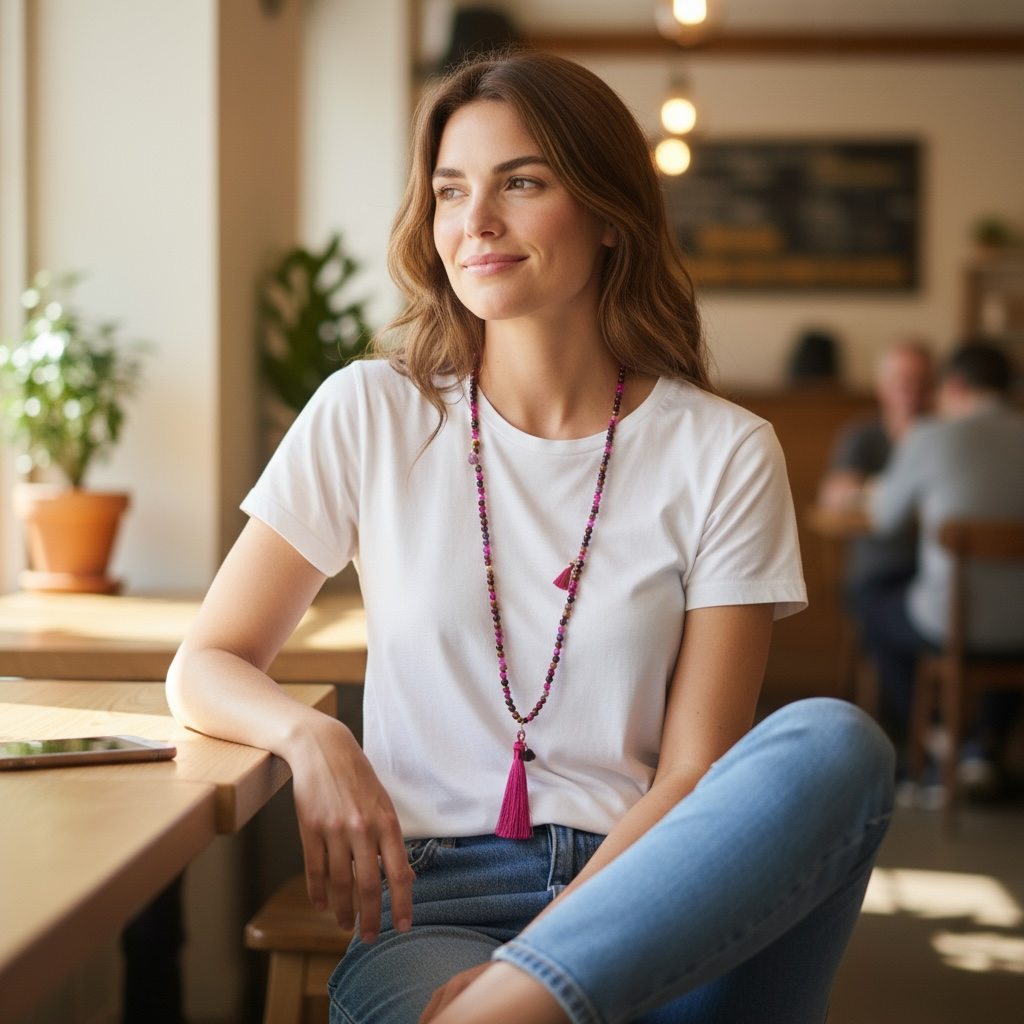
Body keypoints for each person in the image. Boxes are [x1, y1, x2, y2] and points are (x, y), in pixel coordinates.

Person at [166, 51, 894, 1024]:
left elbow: (691, 773)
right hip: (430, 907)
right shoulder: (369, 412)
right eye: (449, 190)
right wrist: (314, 736)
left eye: (521, 182)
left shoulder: (724, 450)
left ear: (608, 214)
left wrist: (544, 962)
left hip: (652, 901)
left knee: (839, 743)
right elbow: (204, 665)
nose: (475, 221)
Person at [861, 340, 1024, 788]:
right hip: (1020, 629)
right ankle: (984, 747)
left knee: (872, 608)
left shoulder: (930, 435)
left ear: (954, 386)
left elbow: (884, 521)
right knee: (1006, 611)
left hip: (947, 623)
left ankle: (938, 740)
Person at [818, 338, 934, 610]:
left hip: (937, 571)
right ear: (881, 386)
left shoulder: (945, 437)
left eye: (920, 380)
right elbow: (833, 496)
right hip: (880, 570)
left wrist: (867, 490)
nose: (911, 389)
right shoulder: (861, 436)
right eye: (901, 380)